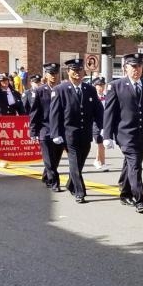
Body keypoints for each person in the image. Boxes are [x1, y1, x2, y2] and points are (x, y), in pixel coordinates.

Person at [103, 53, 143, 213]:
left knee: (131, 163)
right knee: (135, 165)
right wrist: (107, 135)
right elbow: (110, 112)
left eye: (139, 66)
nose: (136, 70)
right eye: (133, 66)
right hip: (125, 134)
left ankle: (125, 192)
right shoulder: (116, 86)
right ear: (125, 68)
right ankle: (140, 199)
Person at [49, 59, 103, 204]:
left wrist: (102, 127)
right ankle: (80, 192)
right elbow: (54, 113)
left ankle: (70, 184)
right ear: (68, 72)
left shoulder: (89, 89)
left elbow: (98, 110)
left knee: (80, 162)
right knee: (74, 162)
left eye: (79, 70)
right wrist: (55, 133)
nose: (77, 74)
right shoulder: (60, 89)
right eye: (74, 70)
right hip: (69, 133)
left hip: (85, 132)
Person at [28, 63, 64, 192]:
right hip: (45, 128)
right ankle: (54, 182)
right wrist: (33, 131)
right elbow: (34, 112)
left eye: (55, 73)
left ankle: (46, 176)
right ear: (46, 75)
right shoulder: (39, 91)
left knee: (55, 158)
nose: (53, 76)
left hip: (59, 130)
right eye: (51, 74)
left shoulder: (62, 89)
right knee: (48, 158)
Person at [91, 77, 110, 172]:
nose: (101, 87)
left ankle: (97, 160)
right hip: (96, 125)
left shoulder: (107, 97)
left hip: (105, 124)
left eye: (102, 85)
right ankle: (102, 162)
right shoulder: (92, 98)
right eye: (99, 85)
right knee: (101, 144)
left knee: (102, 144)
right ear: (95, 86)